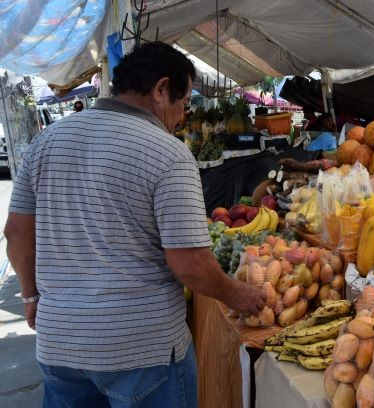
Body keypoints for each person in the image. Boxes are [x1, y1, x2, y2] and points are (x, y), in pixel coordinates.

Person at [4, 41, 264, 408]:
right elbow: (190, 264)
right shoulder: (167, 153)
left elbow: (16, 233)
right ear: (160, 90)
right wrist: (237, 294)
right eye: (183, 102)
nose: (183, 115)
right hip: (143, 353)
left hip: (60, 344)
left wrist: (30, 296)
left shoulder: (46, 141)